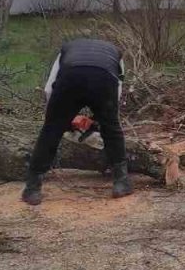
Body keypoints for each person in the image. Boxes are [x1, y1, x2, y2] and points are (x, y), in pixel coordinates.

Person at [23, 37, 130, 205]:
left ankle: (32, 187)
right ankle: (121, 182)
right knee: (112, 129)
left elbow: (49, 88)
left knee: (50, 131)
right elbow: (115, 93)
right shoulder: (116, 55)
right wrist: (100, 119)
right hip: (102, 79)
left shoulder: (65, 50)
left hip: (71, 77)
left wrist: (56, 119)